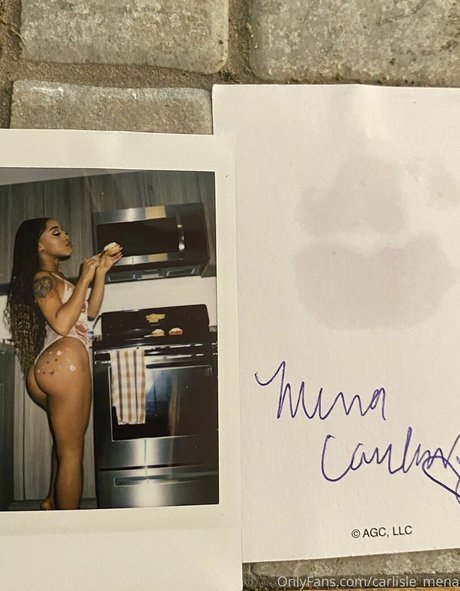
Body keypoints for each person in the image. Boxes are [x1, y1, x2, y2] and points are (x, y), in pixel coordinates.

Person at [5, 218, 122, 510]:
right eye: (56, 233)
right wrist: (84, 277)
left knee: (63, 442)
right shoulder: (41, 278)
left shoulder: (57, 280)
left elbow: (89, 312)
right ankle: (69, 529)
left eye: (65, 230)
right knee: (72, 453)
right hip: (64, 361)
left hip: (51, 366)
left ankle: (50, 500)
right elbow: (61, 323)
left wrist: (100, 274)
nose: (65, 235)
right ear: (40, 246)